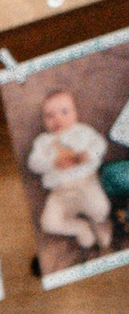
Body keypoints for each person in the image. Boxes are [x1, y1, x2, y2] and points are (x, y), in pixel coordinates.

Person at [23, 83, 114, 257]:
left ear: (75, 114)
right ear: (43, 121)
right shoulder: (43, 141)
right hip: (60, 193)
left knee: (101, 207)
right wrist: (53, 162)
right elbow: (33, 163)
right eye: (50, 116)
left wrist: (88, 154)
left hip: (86, 183)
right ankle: (80, 228)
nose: (57, 119)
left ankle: (100, 223)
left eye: (64, 112)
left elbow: (100, 144)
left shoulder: (82, 131)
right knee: (48, 223)